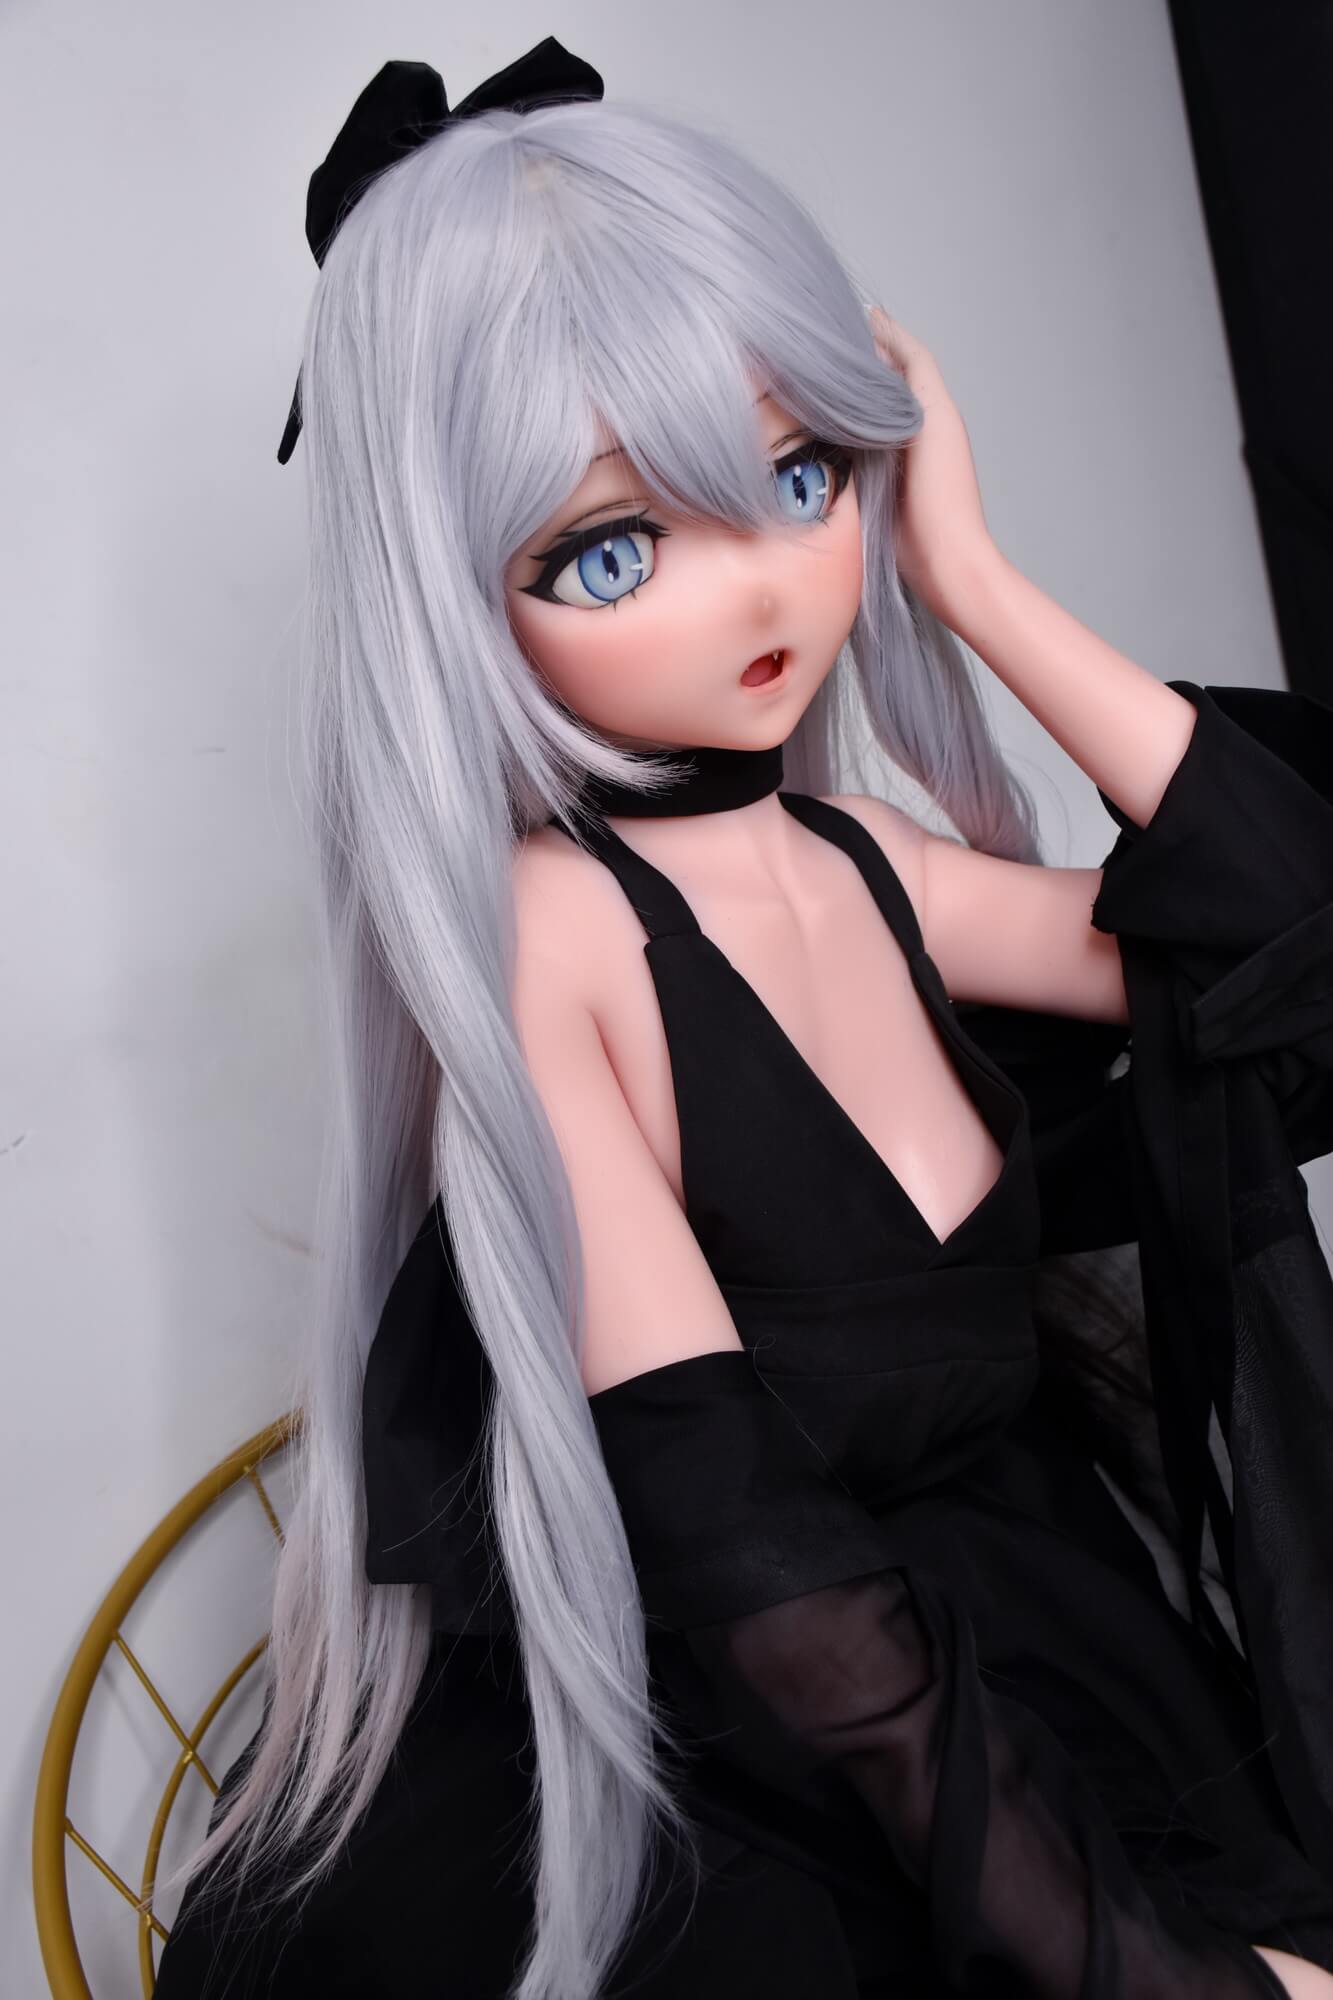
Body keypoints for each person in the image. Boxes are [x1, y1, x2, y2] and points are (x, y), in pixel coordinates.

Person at [151, 38, 1333, 1999]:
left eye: (800, 476)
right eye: (611, 549)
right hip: (764, 1742)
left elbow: (1293, 939)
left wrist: (976, 584)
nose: (758, 593)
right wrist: (1143, 1974)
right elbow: (741, 1537)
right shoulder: (552, 945)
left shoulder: (871, 863)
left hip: (1044, 1652)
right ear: (453, 602)